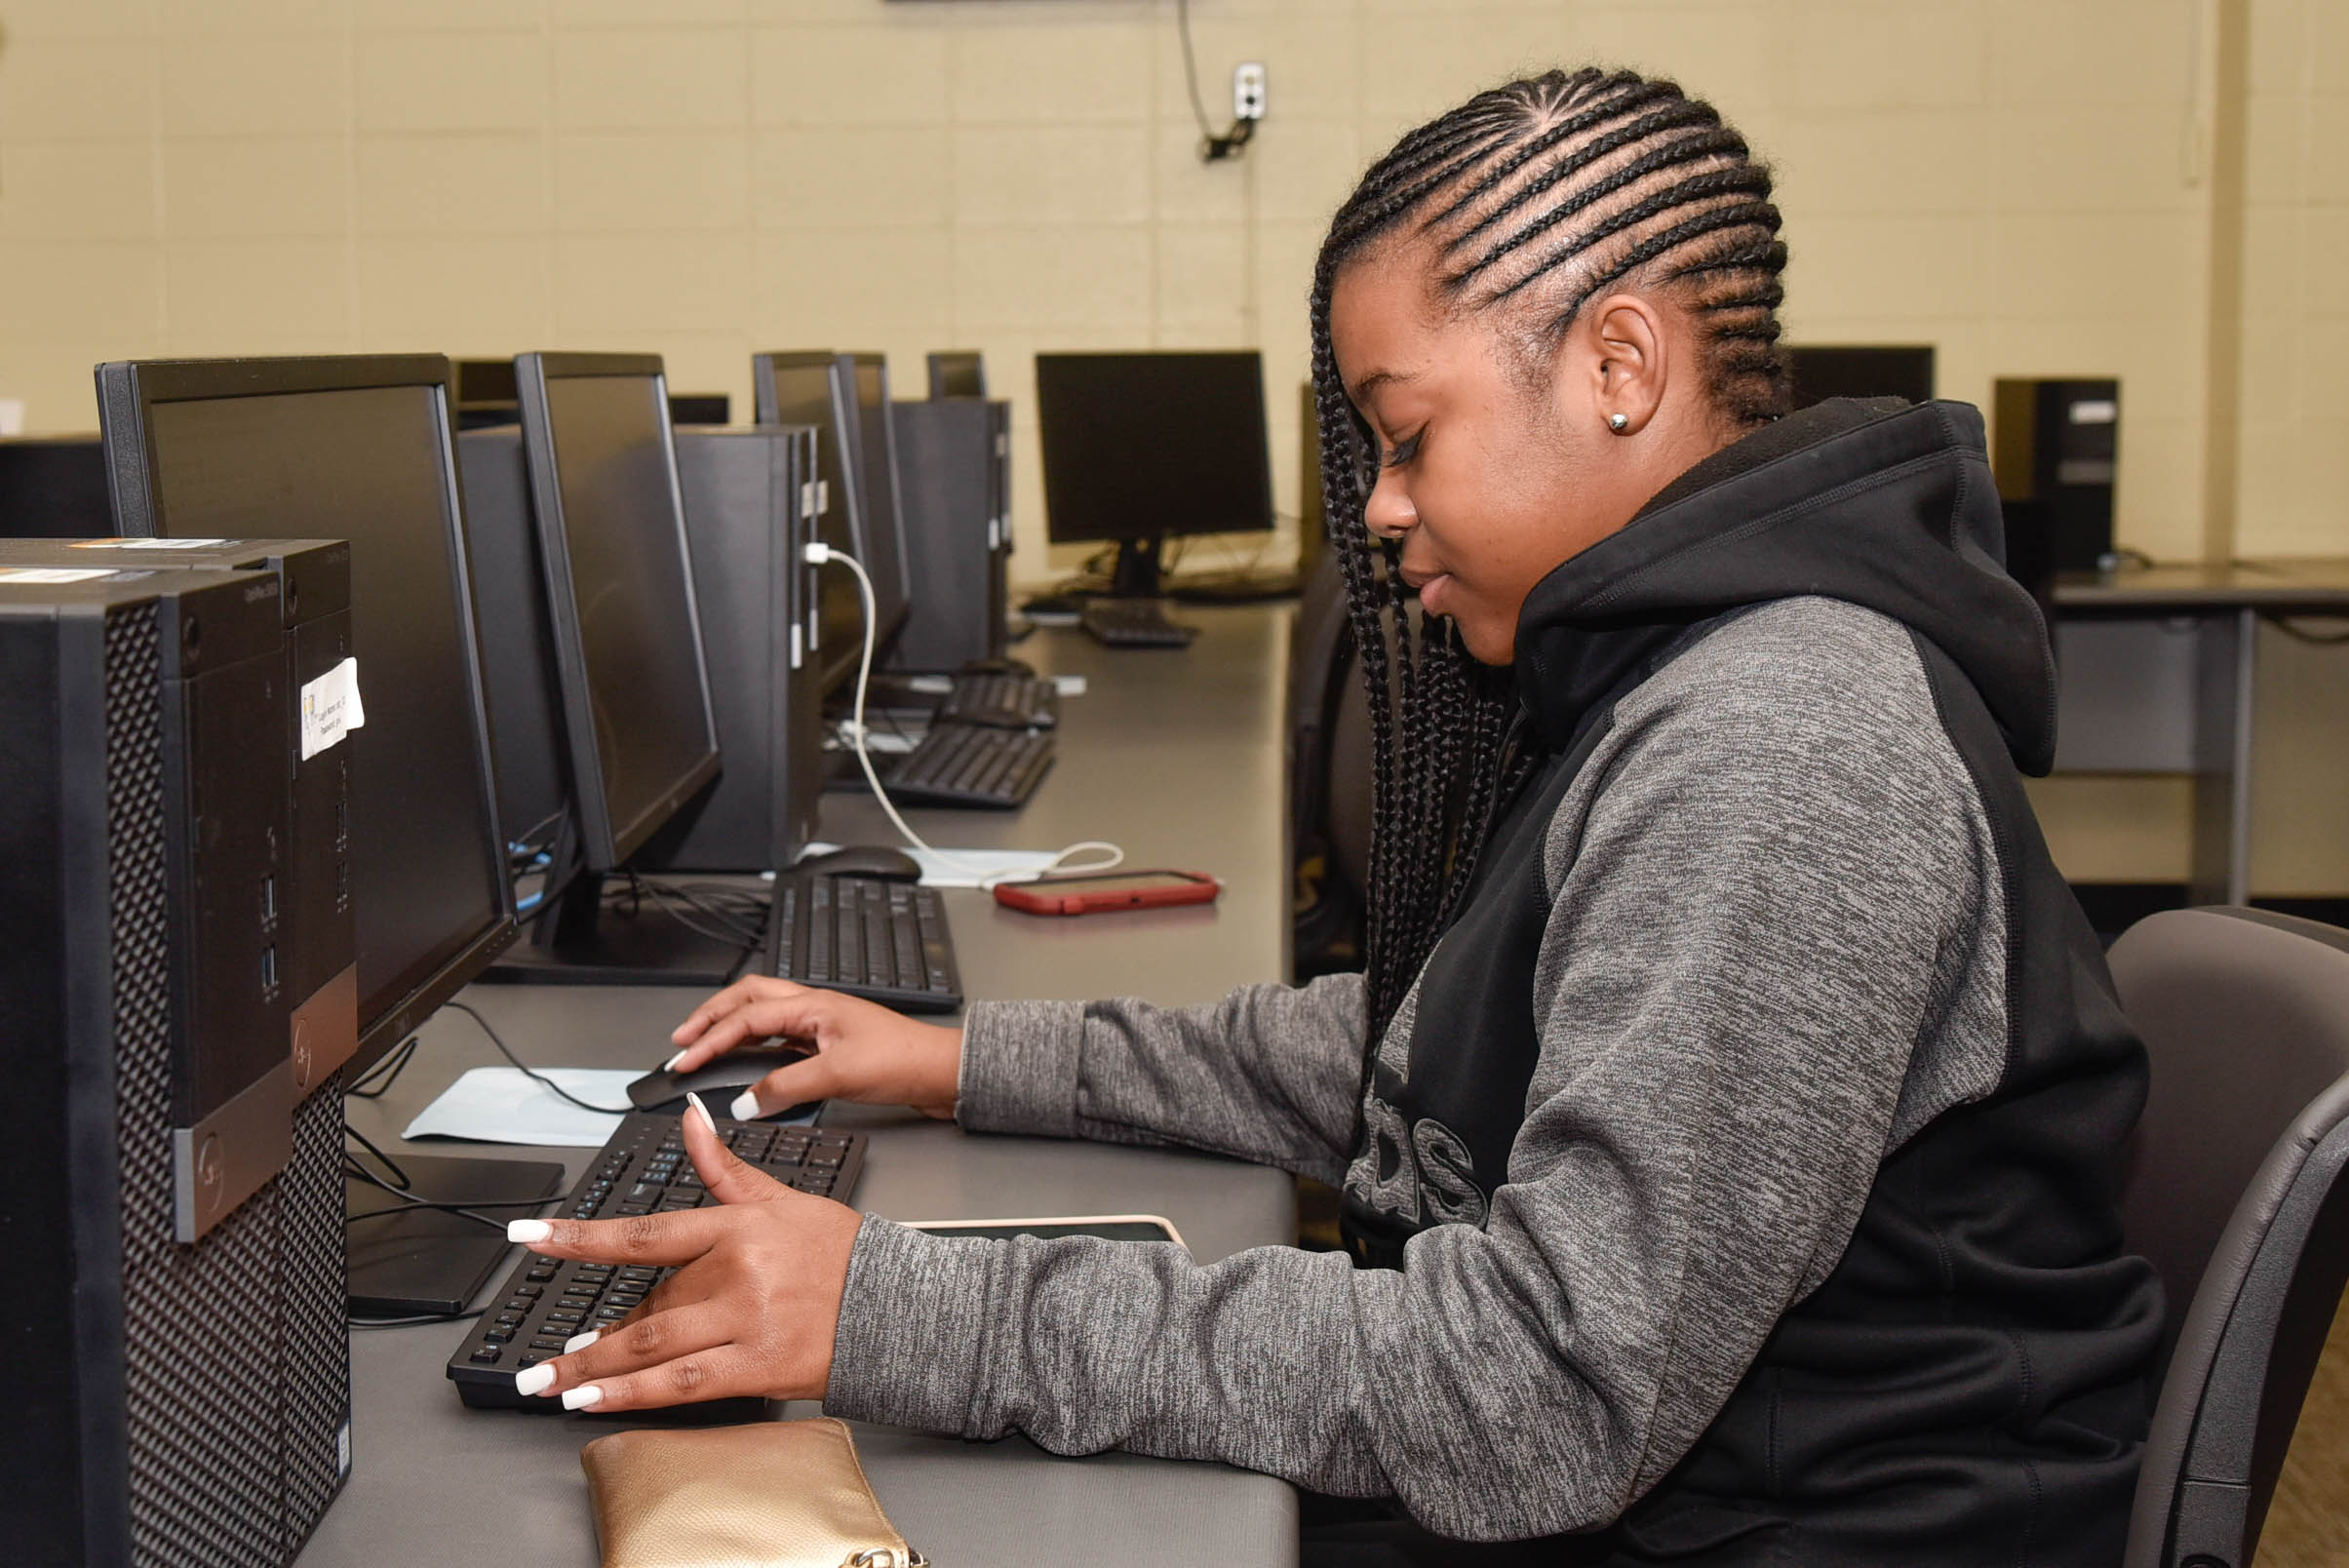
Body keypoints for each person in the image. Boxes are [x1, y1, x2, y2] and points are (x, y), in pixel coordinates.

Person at [506, 67, 2161, 1564]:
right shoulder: (1666, 671)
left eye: (1405, 436)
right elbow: (1426, 1049)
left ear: (1619, 367)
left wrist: (888, 1305)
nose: (1376, 509)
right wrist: (957, 1059)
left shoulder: (1778, 737)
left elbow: (1538, 1392)